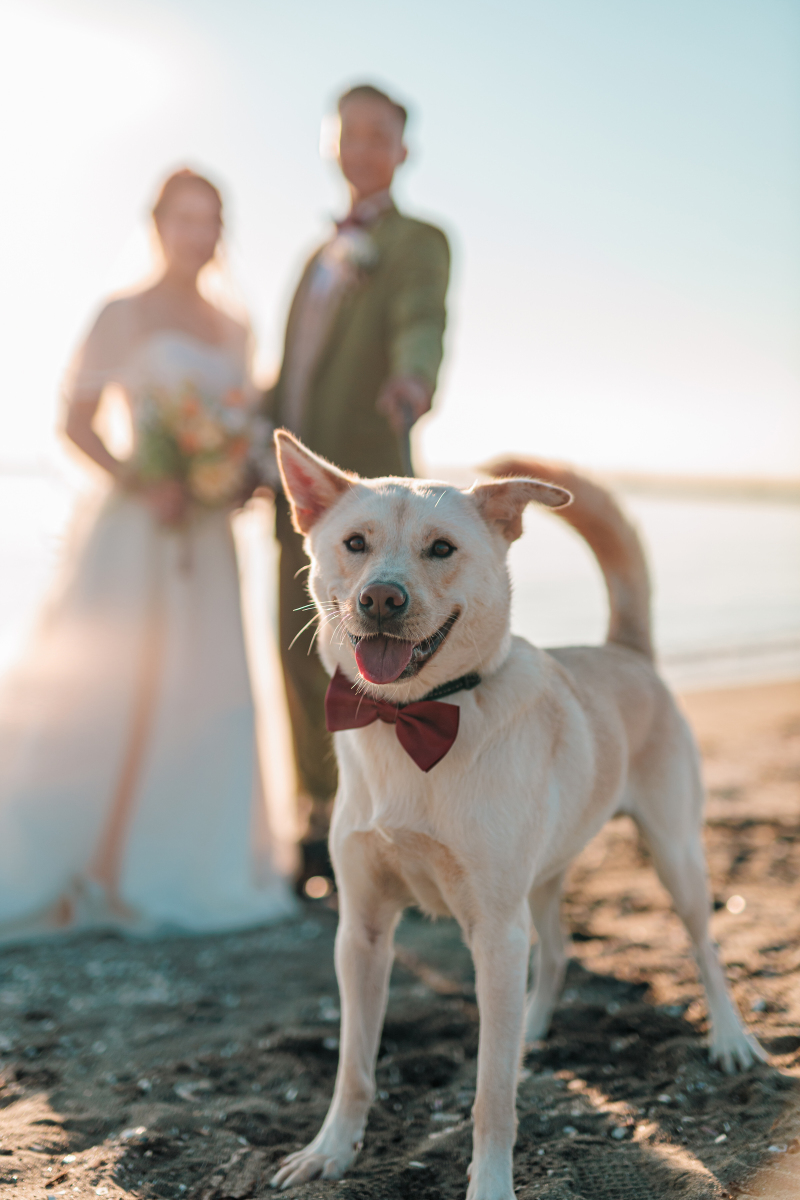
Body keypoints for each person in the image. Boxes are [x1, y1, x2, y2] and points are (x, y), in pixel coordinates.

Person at [0, 169, 295, 941]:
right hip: (134, 528)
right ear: (158, 224)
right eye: (185, 219)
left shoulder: (235, 323)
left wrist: (232, 479)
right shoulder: (121, 313)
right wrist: (142, 476)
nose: (198, 234)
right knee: (105, 689)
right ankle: (75, 859)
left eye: (212, 221)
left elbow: (246, 422)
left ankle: (182, 863)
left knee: (203, 693)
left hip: (204, 535)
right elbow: (76, 420)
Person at [267, 84, 451, 884]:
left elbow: (422, 316)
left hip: (374, 495)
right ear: (332, 144)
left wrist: (413, 379)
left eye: (381, 136)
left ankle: (392, 823)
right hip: (299, 491)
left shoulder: (418, 241)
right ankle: (318, 817)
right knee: (296, 648)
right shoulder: (315, 256)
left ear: (403, 150)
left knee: (385, 658)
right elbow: (294, 375)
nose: (365, 148)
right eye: (351, 134)